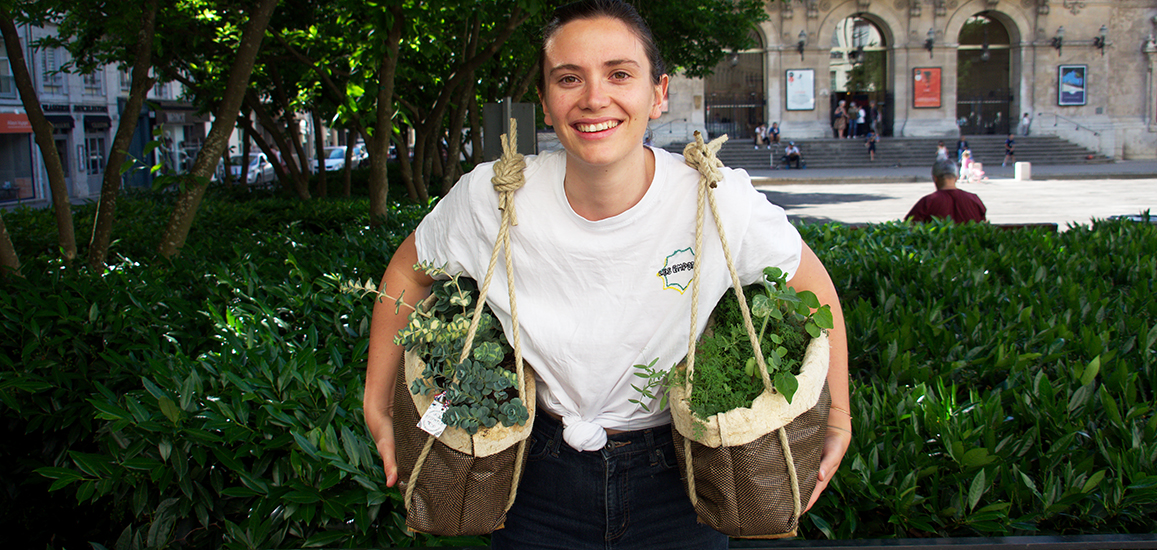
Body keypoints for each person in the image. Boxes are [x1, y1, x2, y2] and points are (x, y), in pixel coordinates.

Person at [361, 2, 851, 549]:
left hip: (687, 478)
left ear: (657, 93)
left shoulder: (715, 198)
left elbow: (812, 287)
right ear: (545, 104)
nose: (594, 97)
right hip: (534, 478)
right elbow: (409, 268)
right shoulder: (492, 197)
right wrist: (376, 404)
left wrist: (839, 418)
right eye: (569, 79)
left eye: (620, 74)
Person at [905, 159, 987, 223]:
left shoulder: (927, 202)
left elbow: (909, 225)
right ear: (956, 177)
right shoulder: (974, 199)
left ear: (935, 178)